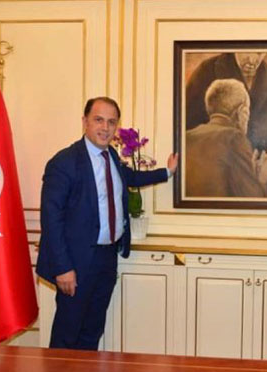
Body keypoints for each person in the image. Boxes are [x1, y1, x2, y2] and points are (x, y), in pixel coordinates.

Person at [36, 97, 178, 350]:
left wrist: (166, 172)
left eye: (112, 122)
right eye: (98, 120)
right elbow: (51, 218)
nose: (105, 127)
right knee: (67, 333)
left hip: (106, 258)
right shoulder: (64, 162)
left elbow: (129, 177)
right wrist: (63, 267)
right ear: (85, 122)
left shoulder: (111, 155)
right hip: (76, 262)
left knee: (93, 330)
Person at [185, 79, 267, 197]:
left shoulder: (187, 137)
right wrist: (261, 179)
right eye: (247, 111)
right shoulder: (234, 138)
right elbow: (250, 199)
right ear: (242, 111)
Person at [185, 52, 267, 155]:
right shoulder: (206, 72)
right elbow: (189, 125)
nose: (252, 60)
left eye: (259, 53)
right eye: (247, 52)